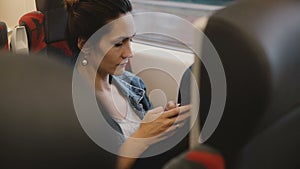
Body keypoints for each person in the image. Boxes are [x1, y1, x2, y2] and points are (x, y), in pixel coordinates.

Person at [65, 0, 191, 169]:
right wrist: (141, 136)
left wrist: (163, 122)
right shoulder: (68, 104)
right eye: (118, 44)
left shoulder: (133, 84)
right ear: (85, 44)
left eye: (131, 40)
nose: (129, 53)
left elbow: (151, 143)